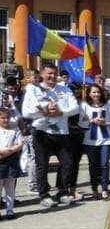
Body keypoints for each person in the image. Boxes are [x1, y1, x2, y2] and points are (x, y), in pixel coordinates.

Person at [21, 63, 79, 209]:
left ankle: (62, 191)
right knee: (42, 165)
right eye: (49, 73)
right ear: (42, 74)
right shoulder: (33, 90)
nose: (52, 76)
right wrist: (44, 111)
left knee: (67, 162)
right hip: (41, 132)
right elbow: (26, 112)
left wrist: (61, 112)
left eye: (54, 73)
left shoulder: (64, 89)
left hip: (61, 132)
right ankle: (44, 195)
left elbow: (75, 108)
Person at [78, 84, 110, 199]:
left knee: (104, 165)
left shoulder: (107, 105)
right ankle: (94, 189)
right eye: (93, 92)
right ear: (89, 93)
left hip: (105, 139)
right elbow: (80, 122)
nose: (96, 94)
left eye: (98, 92)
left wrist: (105, 123)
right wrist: (91, 121)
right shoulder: (84, 106)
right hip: (90, 140)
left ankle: (104, 188)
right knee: (93, 165)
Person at [0, 107, 23, 220]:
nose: (5, 120)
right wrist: (2, 151)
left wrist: (10, 151)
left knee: (10, 188)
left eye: (7, 117)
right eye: (3, 118)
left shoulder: (15, 130)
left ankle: (10, 210)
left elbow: (20, 144)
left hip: (11, 161)